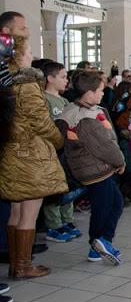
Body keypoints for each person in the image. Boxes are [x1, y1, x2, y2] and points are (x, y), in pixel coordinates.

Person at [0, 35, 67, 278]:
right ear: (17, 56)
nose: (32, 56)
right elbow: (40, 121)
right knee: (29, 211)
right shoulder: (26, 84)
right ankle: (23, 266)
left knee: (15, 210)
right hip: (30, 154)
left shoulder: (5, 80)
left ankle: (15, 263)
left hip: (11, 150)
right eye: (28, 51)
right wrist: (59, 139)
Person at [57, 70, 125, 265]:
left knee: (115, 203)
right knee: (103, 208)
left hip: (96, 167)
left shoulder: (78, 108)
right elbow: (104, 146)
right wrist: (120, 161)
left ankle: (103, 241)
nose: (103, 93)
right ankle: (97, 245)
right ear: (89, 93)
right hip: (96, 169)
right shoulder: (85, 116)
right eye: (101, 90)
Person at [41, 61, 84, 243]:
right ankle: (54, 224)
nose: (66, 81)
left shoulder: (65, 100)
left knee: (68, 185)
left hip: (67, 150)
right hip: (52, 151)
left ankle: (67, 220)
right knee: (54, 187)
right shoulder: (44, 100)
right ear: (50, 78)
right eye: (62, 77)